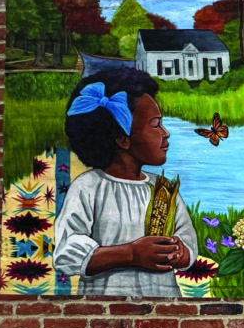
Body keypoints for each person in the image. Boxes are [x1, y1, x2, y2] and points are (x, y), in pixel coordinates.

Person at [54, 68, 198, 296]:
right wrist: (131, 254)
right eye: (155, 124)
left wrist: (180, 252)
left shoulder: (162, 188)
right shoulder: (89, 187)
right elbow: (66, 251)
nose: (166, 133)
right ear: (123, 139)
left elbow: (188, 241)